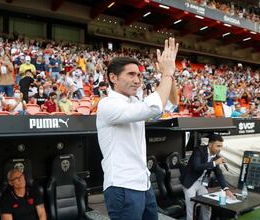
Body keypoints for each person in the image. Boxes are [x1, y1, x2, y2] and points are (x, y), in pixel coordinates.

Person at [97, 38, 179, 220]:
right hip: (122, 186)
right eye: (131, 75)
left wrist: (170, 73)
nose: (137, 80)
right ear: (113, 78)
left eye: (139, 75)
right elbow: (154, 107)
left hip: (143, 183)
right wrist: (166, 73)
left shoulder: (134, 102)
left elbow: (174, 101)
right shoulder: (107, 105)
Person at [180, 134, 234, 220]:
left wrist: (226, 189)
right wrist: (214, 163)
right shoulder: (198, 150)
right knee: (191, 206)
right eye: (218, 146)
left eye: (221, 146)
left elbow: (218, 173)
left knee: (207, 205)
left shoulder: (216, 157)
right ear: (210, 145)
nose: (220, 149)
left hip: (201, 183)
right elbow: (196, 167)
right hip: (190, 182)